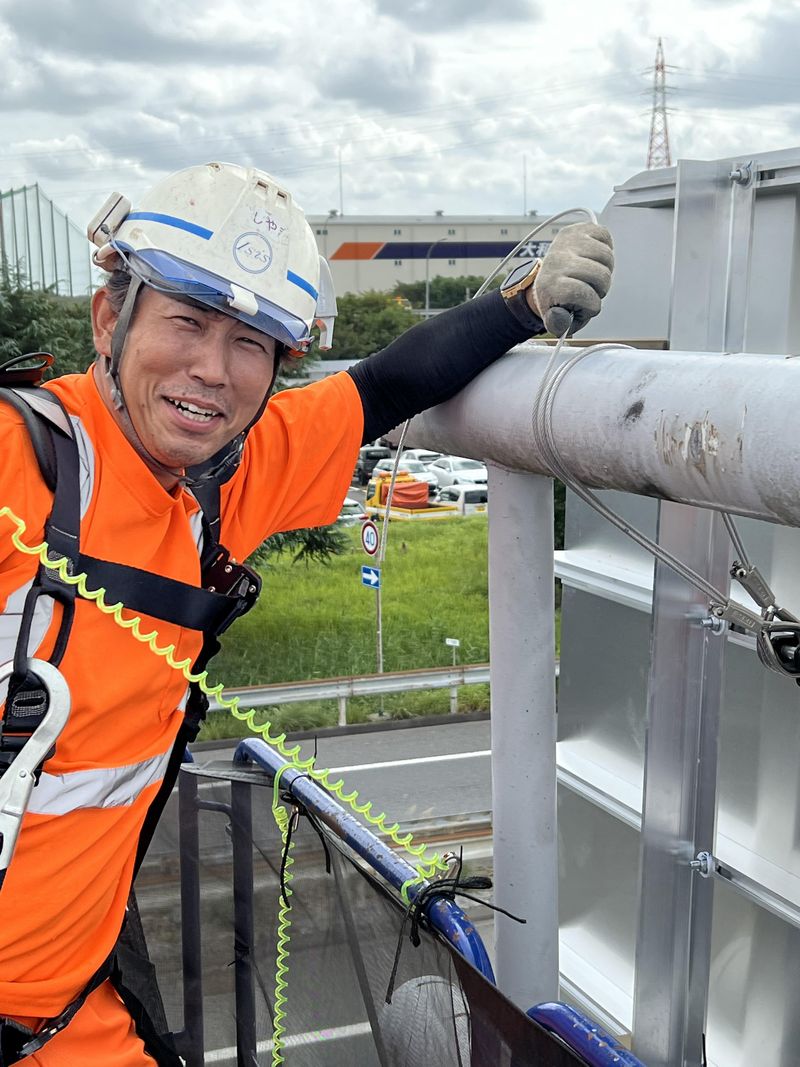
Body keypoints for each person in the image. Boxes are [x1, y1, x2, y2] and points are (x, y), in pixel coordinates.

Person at [0, 161, 613, 1064]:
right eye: (186, 321)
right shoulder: (19, 466)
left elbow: (382, 388)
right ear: (108, 320)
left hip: (70, 1019)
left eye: (252, 343)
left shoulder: (220, 482)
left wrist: (521, 306)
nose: (213, 370)